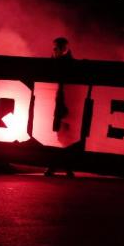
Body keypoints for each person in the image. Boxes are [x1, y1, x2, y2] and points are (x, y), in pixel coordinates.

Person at [45, 36, 77, 178]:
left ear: (63, 48)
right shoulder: (63, 62)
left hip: (65, 106)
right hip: (61, 105)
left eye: (57, 47)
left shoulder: (67, 63)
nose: (54, 50)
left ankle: (60, 167)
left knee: (64, 137)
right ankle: (62, 167)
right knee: (61, 137)